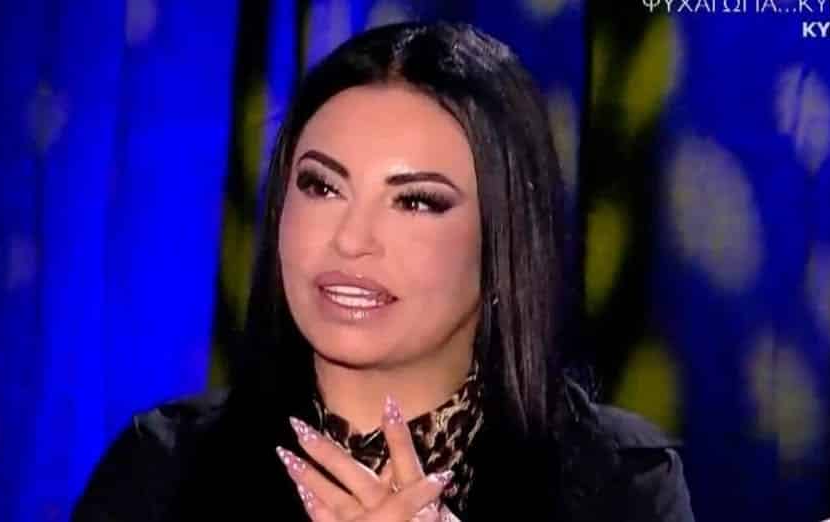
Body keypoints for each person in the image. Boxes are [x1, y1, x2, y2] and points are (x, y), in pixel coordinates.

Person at [72, 21, 694, 521]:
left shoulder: (620, 485)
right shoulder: (164, 471)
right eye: (322, 187)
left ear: (504, 241)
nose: (350, 240)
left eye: (415, 201)